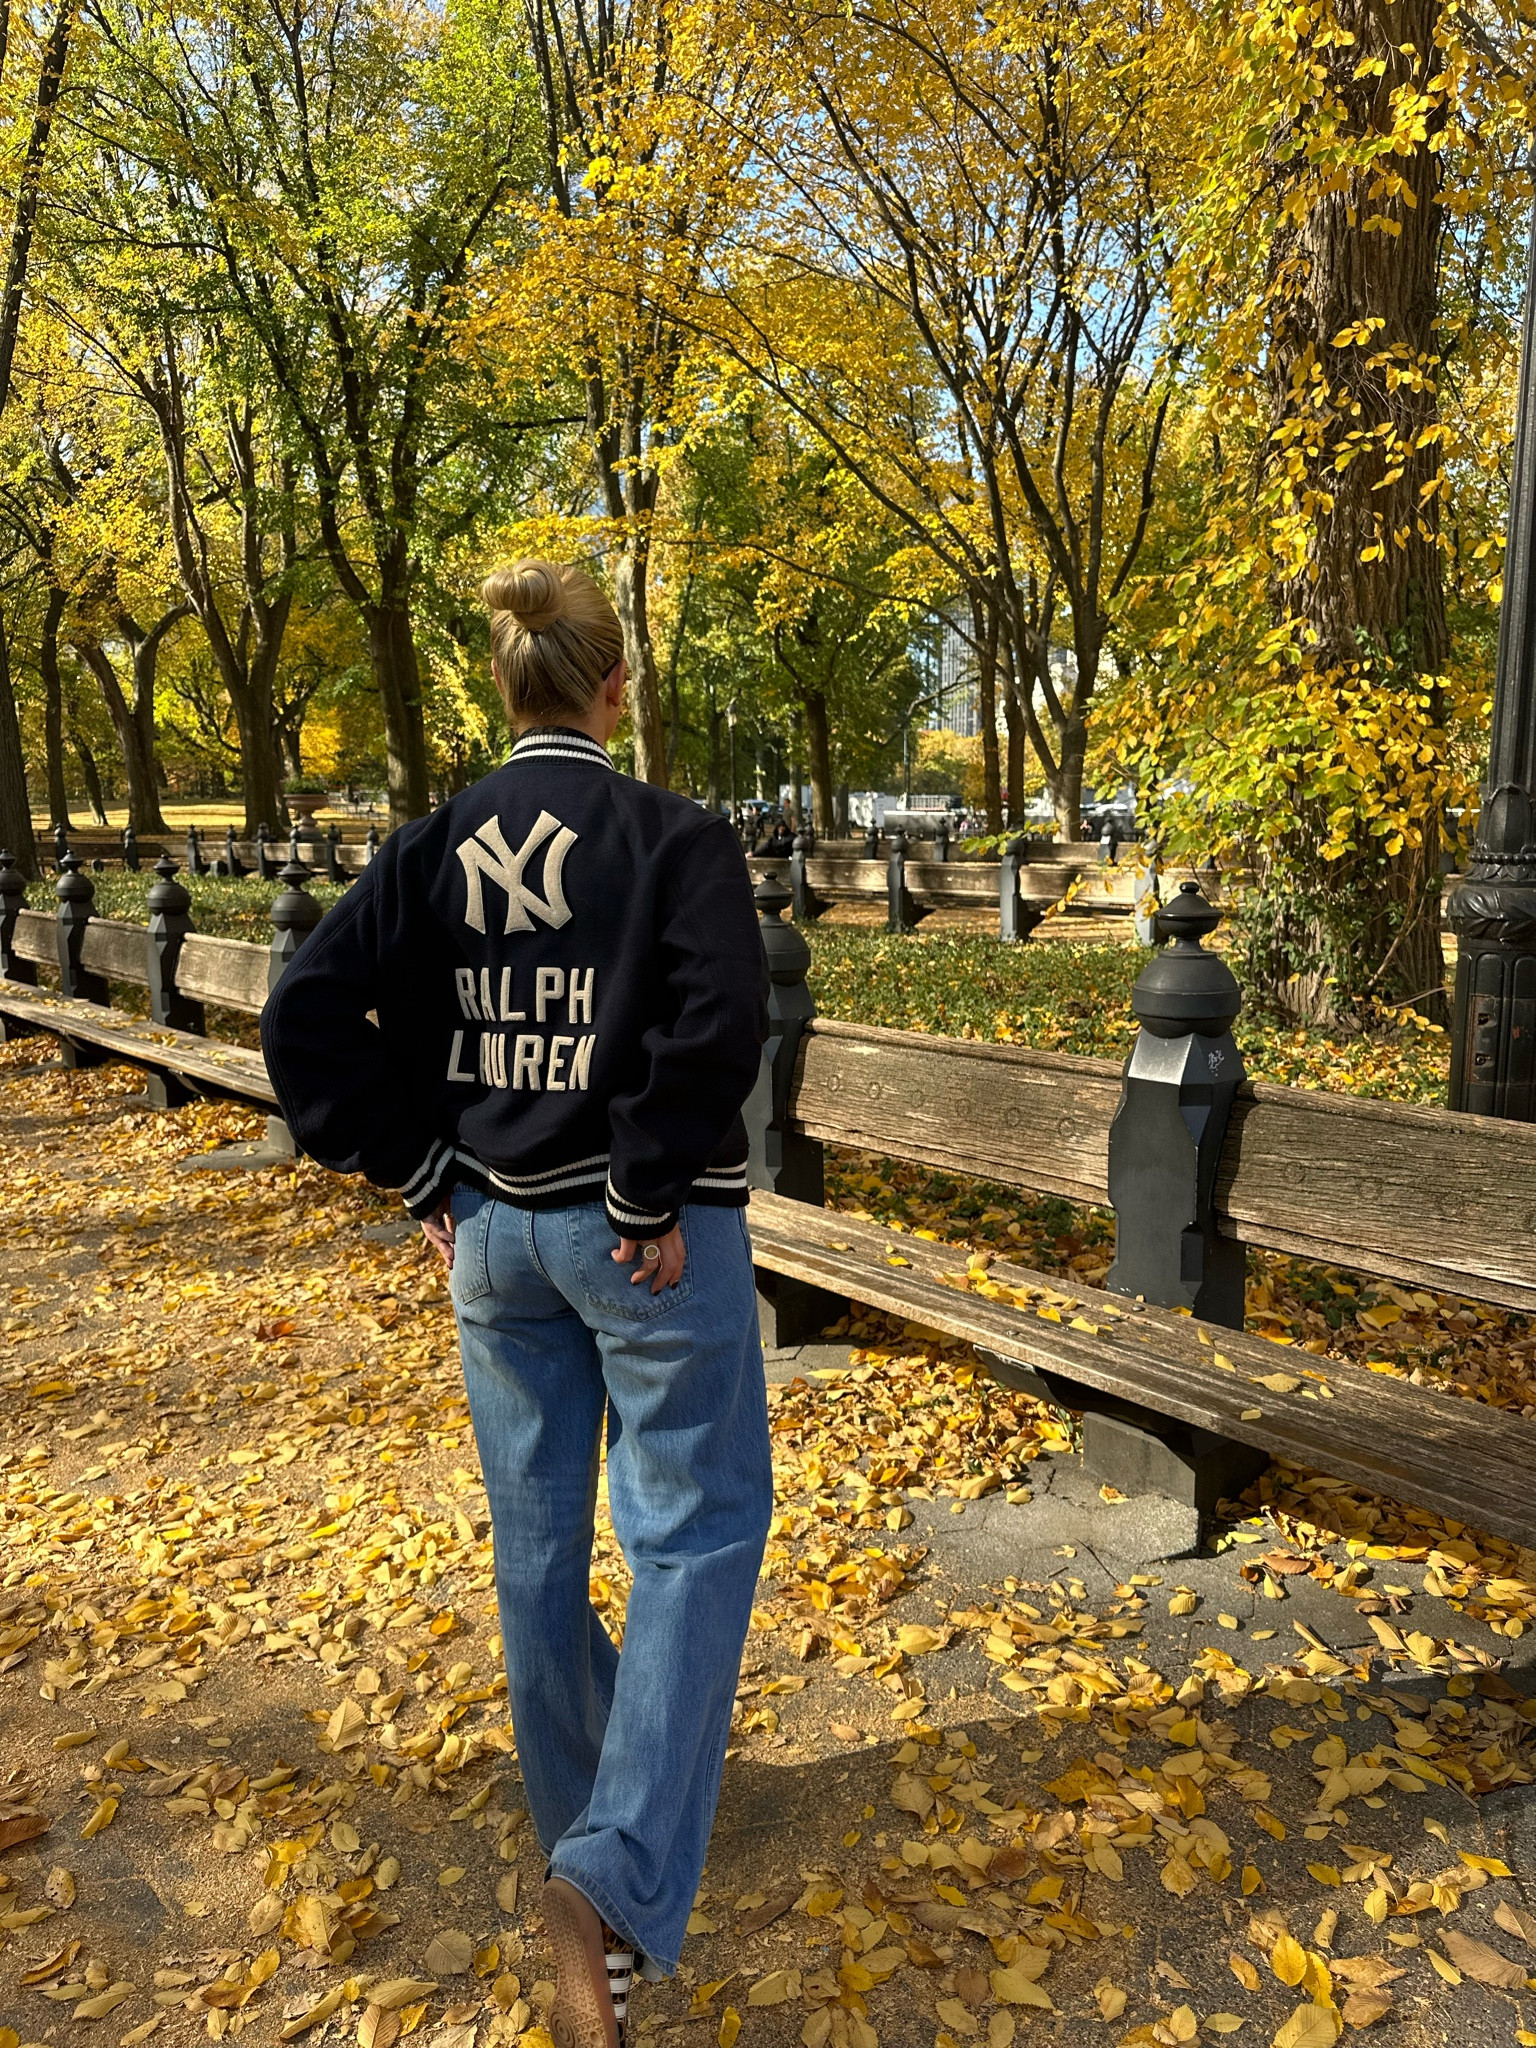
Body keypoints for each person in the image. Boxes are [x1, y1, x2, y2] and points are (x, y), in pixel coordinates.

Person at [261, 559, 774, 2048]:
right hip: (645, 1244)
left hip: (490, 1235)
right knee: (694, 1534)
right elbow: (720, 1020)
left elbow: (303, 1015)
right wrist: (646, 1179)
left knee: (540, 1549)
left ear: (507, 685)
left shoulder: (430, 850)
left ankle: (597, 1845)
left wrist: (421, 1168)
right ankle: (611, 1880)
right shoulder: (671, 836)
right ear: (615, 689)